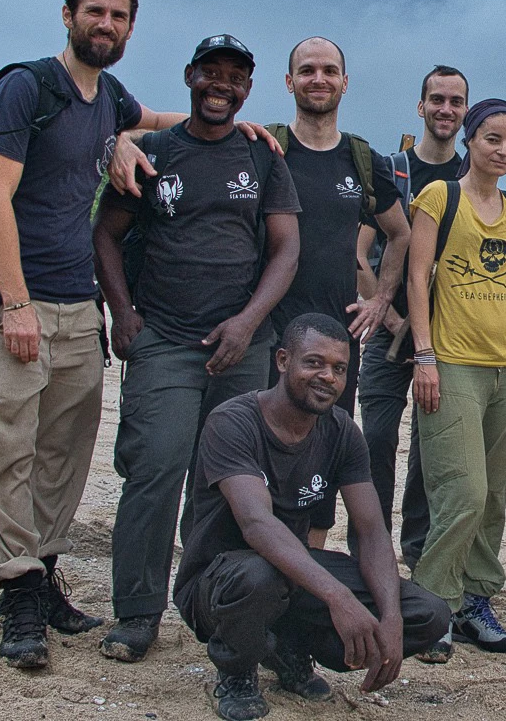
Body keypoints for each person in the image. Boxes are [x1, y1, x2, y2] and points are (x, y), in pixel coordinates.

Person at [0, 0, 215, 668]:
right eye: (95, 13)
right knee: (6, 445)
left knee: (63, 454)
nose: (106, 26)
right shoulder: (25, 87)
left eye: (120, 17)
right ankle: (15, 592)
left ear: (131, 28)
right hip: (13, 298)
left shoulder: (108, 98)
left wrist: (238, 126)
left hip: (79, 303)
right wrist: (13, 303)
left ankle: (40, 572)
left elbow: (153, 119)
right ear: (67, 15)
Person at [92, 34, 301, 663]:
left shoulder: (264, 158)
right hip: (166, 342)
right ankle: (136, 612)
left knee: (231, 482)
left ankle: (210, 604)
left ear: (248, 90)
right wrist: (124, 314)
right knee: (155, 470)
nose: (221, 85)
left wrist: (247, 323)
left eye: (235, 77)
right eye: (211, 72)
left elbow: (286, 248)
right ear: (189, 76)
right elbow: (106, 234)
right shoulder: (154, 151)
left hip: (244, 347)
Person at [172, 313, 449, 721]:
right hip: (219, 580)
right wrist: (337, 597)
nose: (328, 378)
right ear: (283, 361)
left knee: (428, 614)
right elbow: (257, 526)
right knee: (258, 577)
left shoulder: (342, 432)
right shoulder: (232, 422)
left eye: (339, 368)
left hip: (291, 575)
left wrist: (390, 617)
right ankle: (236, 670)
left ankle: (285, 647)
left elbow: (371, 531)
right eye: (314, 362)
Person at [405, 98, 506, 660]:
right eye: (493, 139)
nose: (503, 151)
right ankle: (431, 604)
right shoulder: (439, 196)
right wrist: (423, 355)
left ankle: (474, 601)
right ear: (470, 139)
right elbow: (418, 276)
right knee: (458, 491)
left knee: (490, 495)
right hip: (451, 361)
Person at [353, 66, 469, 566]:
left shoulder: (473, 177)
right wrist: (394, 319)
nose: (446, 109)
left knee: (429, 453)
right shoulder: (389, 169)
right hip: (386, 333)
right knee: (375, 442)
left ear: (466, 112)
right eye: (437, 99)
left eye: (456, 102)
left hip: (447, 339)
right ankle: (370, 549)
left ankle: (417, 550)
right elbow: (358, 254)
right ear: (420, 107)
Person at [267, 36, 408, 417]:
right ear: (288, 81)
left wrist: (379, 301)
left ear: (344, 82)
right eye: (307, 70)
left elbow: (400, 232)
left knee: (325, 448)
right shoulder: (266, 150)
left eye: (330, 71)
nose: (319, 79)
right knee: (259, 443)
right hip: (266, 331)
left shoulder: (363, 160)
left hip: (335, 338)